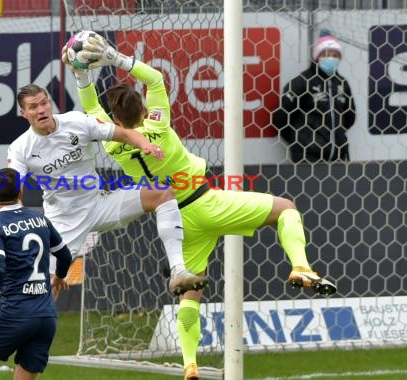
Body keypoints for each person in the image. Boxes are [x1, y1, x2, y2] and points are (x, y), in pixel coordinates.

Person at [64, 34, 337, 380]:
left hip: (178, 219)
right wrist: (115, 58)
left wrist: (80, 73)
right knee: (285, 208)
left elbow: (91, 109)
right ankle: (301, 266)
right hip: (206, 202)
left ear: (115, 121)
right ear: (145, 111)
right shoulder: (158, 127)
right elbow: (155, 79)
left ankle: (190, 364)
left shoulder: (114, 143)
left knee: (191, 291)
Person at [7, 84, 208, 297]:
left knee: (163, 193)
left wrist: (145, 145)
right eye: (33, 107)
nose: (41, 110)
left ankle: (178, 270)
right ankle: (35, 326)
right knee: (47, 290)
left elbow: (123, 134)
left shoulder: (76, 122)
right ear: (24, 113)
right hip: (64, 220)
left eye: (44, 103)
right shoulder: (21, 148)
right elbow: (14, 189)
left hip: (99, 204)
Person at [0, 167, 72, 380]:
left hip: (16, 313)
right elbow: (64, 255)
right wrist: (59, 277)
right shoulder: (41, 219)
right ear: (21, 192)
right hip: (46, 316)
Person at [272, 29, 356, 163]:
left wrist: (338, 138)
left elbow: (350, 117)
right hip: (308, 158)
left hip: (338, 158)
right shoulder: (301, 82)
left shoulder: (342, 84)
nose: (331, 58)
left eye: (335, 55)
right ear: (317, 56)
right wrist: (300, 142)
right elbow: (280, 119)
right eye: (326, 54)